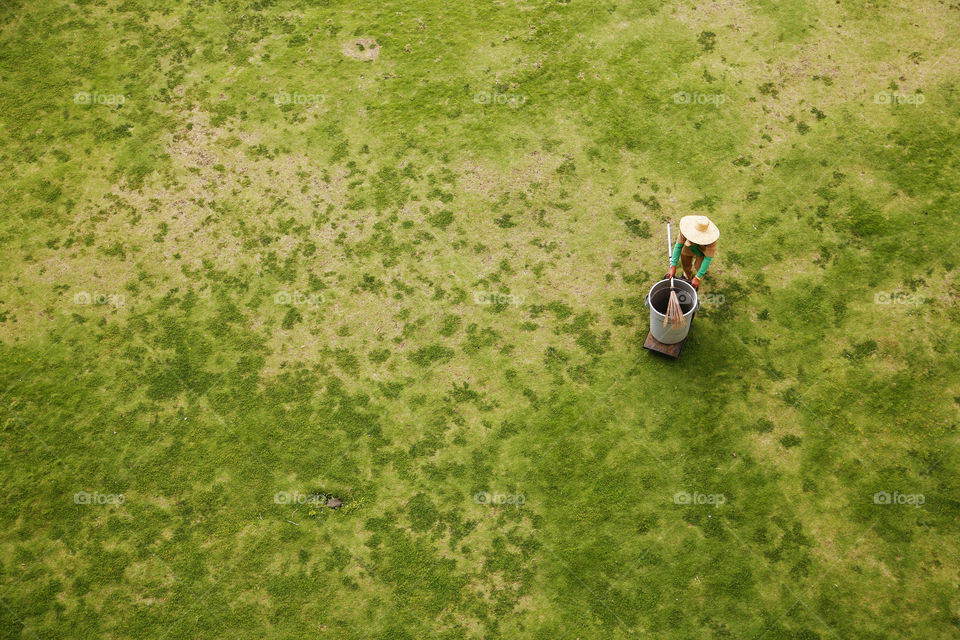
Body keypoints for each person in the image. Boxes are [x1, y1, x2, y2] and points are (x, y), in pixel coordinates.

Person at [664, 215, 719, 290]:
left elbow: (707, 259)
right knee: (685, 258)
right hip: (690, 245)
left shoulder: (711, 241)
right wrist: (673, 266)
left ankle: (701, 272)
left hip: (703, 249)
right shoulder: (686, 231)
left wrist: (698, 277)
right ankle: (687, 276)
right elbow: (678, 246)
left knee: (698, 266)